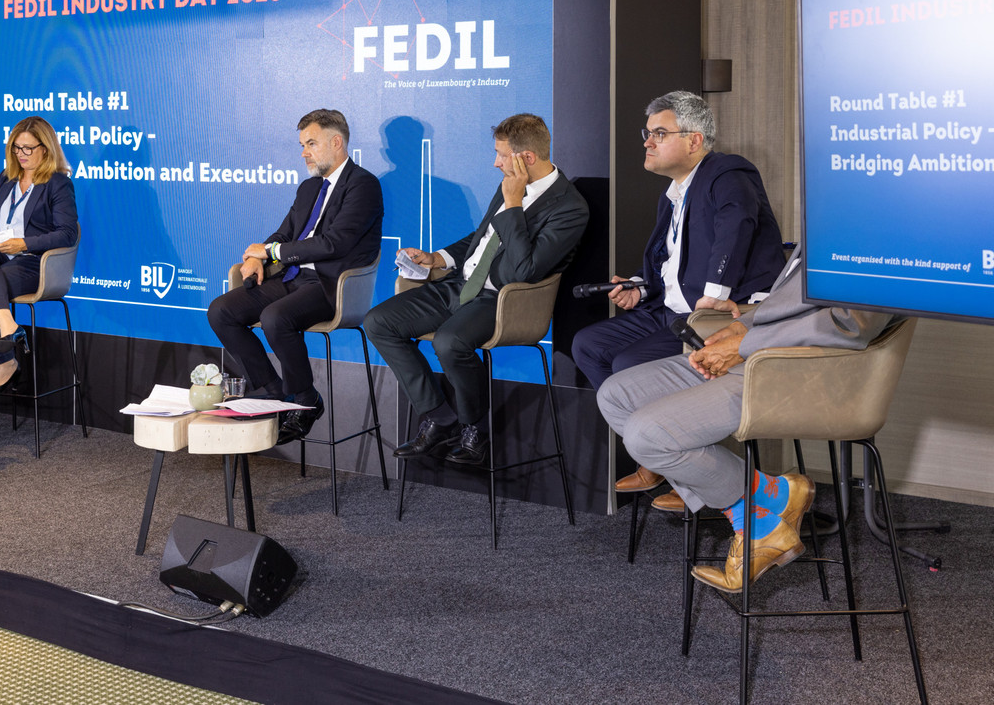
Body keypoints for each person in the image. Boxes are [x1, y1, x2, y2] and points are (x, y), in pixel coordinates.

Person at [596, 244, 894, 591]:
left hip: (795, 369)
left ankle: (754, 520)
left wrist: (746, 344)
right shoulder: (834, 214)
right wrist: (742, 328)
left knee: (646, 436)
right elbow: (789, 303)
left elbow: (849, 323)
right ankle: (772, 498)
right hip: (759, 349)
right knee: (615, 396)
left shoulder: (881, 232)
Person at [571, 90, 785, 504]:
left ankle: (684, 473)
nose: (647, 142)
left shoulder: (727, 172)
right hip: (667, 308)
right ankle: (666, 460)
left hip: (714, 314)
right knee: (589, 345)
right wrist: (640, 284)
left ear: (694, 140)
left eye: (659, 133)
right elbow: (673, 261)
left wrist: (715, 294)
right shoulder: (674, 193)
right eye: (646, 133)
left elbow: (735, 226)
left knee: (627, 363)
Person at [364, 114, 590, 466]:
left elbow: (525, 269)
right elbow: (484, 239)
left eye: (501, 155)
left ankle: (475, 429)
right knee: (379, 321)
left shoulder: (569, 207)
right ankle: (440, 417)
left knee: (449, 341)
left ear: (526, 157)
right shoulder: (511, 183)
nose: (495, 162)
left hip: (502, 300)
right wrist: (436, 258)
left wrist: (513, 204)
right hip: (460, 285)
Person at [207, 108, 383, 445]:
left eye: (311, 143)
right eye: (302, 144)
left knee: (276, 318)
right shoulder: (309, 188)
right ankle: (273, 395)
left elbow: (335, 243)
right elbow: (284, 234)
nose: (304, 152)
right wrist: (259, 256)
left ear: (337, 142)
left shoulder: (363, 185)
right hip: (291, 279)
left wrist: (272, 253)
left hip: (332, 286)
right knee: (221, 311)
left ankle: (305, 400)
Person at [0, 116, 78, 391]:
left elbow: (67, 233)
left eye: (28, 148)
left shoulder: (57, 183)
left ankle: (5, 359)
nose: (21, 154)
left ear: (45, 148)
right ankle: (7, 324)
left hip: (33, 262)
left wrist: (24, 244)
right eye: (17, 148)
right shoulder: (6, 177)